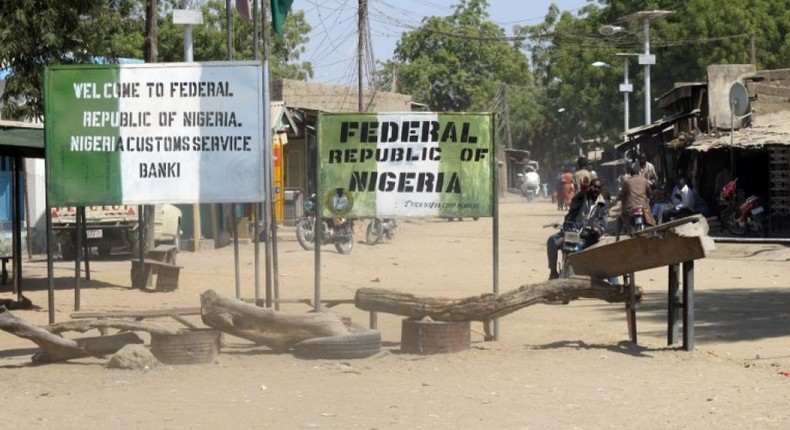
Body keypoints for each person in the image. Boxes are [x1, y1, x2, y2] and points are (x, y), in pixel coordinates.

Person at [546, 178, 608, 280]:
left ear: (600, 190)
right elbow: (574, 203)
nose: (595, 189)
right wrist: (583, 191)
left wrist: (597, 230)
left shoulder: (603, 206)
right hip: (570, 231)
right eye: (593, 187)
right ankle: (553, 271)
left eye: (598, 188)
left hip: (587, 237)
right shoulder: (581, 198)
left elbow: (603, 223)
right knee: (551, 240)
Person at [617, 163, 656, 231]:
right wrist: (649, 196)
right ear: (638, 173)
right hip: (644, 207)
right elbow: (649, 192)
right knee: (649, 215)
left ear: (630, 174)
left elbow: (621, 194)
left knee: (623, 217)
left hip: (630, 207)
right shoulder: (644, 180)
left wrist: (618, 198)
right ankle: (653, 228)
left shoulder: (627, 182)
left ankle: (626, 227)